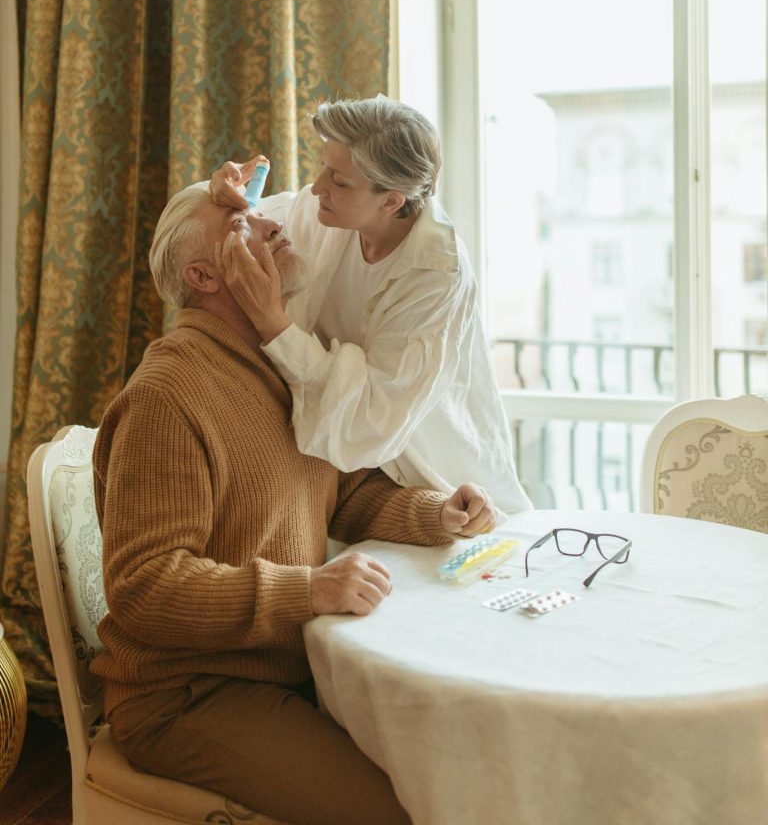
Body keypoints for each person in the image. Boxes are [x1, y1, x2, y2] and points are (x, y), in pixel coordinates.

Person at [92, 180, 497, 825]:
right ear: (202, 275)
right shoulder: (168, 395)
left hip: (292, 667)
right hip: (189, 695)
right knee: (395, 812)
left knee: (460, 762)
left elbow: (339, 493)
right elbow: (144, 588)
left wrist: (435, 513)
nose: (275, 226)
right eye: (241, 225)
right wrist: (309, 590)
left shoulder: (279, 366)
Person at [211, 94, 532, 512]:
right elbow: (241, 222)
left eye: (339, 181)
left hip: (439, 486)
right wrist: (218, 191)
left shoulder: (434, 276)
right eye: (326, 166)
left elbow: (367, 424)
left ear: (391, 201)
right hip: (347, 486)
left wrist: (274, 323)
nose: (319, 186)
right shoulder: (326, 212)